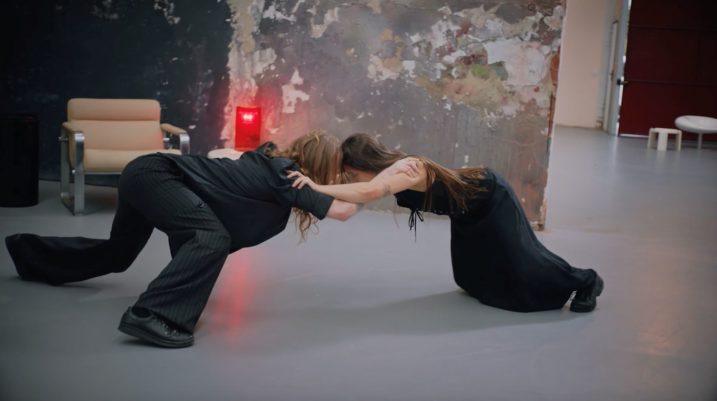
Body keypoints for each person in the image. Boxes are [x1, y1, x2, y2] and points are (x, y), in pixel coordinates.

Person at [5, 133, 362, 348]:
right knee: (211, 237)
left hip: (145, 174)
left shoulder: (275, 171)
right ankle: (151, 315)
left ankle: (29, 254)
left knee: (119, 254)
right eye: (337, 172)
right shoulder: (288, 175)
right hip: (156, 174)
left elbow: (219, 206)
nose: (339, 179)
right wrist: (384, 184)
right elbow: (344, 211)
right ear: (319, 166)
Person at [289, 133, 604, 313]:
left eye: (352, 174)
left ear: (365, 163)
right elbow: (349, 207)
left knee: (526, 261)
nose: (351, 180)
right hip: (466, 211)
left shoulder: (408, 168)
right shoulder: (386, 176)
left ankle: (587, 281)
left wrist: (315, 186)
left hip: (489, 197)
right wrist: (303, 194)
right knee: (471, 273)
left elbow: (368, 191)